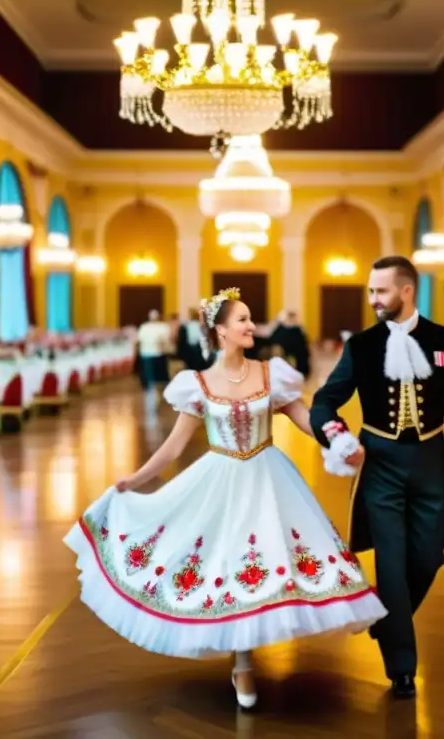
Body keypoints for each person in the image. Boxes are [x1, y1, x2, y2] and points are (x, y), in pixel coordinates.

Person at [64, 288, 387, 710]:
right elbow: (174, 446)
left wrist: (338, 441)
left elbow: (305, 418)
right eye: (243, 320)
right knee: (227, 562)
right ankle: (243, 663)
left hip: (269, 478)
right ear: (220, 330)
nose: (252, 326)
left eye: (250, 319)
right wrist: (136, 479)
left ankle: (247, 657)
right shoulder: (196, 384)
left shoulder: (272, 373)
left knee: (263, 561)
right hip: (219, 479)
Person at [309, 256, 444, 700]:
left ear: (407, 291)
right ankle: (402, 669)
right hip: (380, 464)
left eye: (381, 291)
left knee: (428, 557)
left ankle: (387, 621)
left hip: (430, 460)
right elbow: (324, 401)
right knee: (390, 563)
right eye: (371, 291)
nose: (373, 299)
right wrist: (337, 437)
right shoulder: (362, 345)